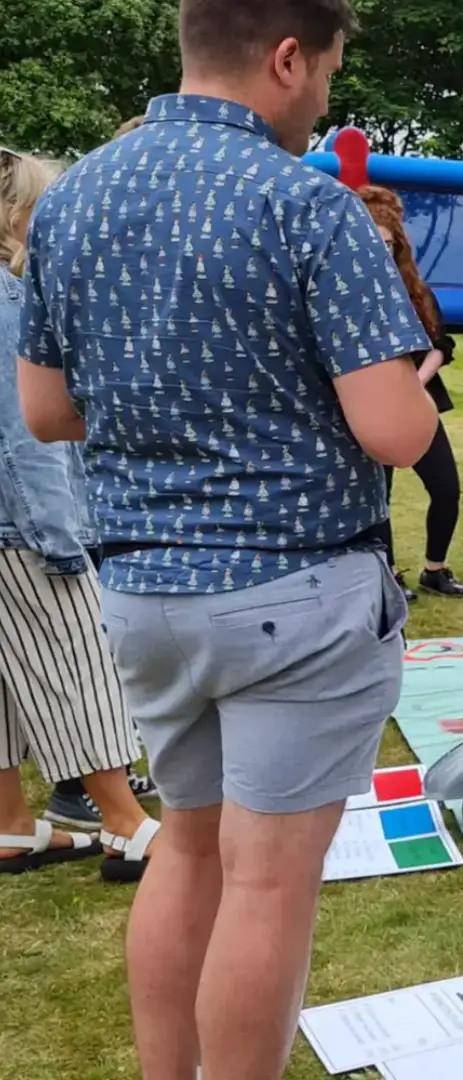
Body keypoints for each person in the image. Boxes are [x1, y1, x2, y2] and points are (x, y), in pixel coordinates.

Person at [15, 4, 444, 1079]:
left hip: (145, 590)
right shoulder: (307, 204)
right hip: (293, 588)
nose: (327, 98)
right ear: (287, 56)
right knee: (265, 882)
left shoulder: (72, 200)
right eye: (331, 72)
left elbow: (48, 411)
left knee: (191, 851)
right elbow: (394, 429)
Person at [0, 148, 158, 883]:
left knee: (4, 684)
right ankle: (125, 824)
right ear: (17, 218)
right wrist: (61, 537)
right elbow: (21, 430)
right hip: (22, 528)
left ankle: (10, 825)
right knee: (79, 666)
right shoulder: (8, 299)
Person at [359, 185, 463, 600]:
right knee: (377, 497)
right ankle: (387, 574)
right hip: (370, 405)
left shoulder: (416, 291)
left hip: (416, 400)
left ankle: (435, 569)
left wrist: (414, 384)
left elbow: (440, 345)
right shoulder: (348, 291)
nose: (382, 250)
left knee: (446, 486)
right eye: (375, 241)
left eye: (389, 243)